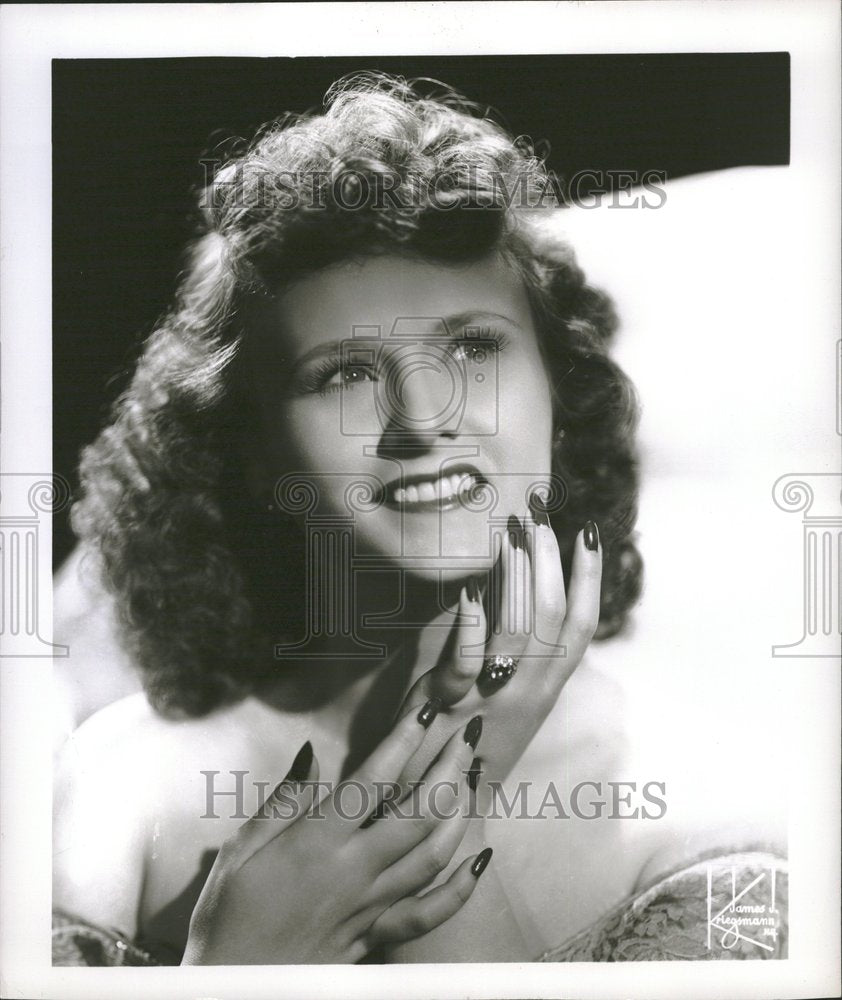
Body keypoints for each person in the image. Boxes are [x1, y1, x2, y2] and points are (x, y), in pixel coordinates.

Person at [52, 73, 786, 966]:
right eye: (344, 374)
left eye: (474, 348)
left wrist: (453, 772)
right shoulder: (117, 789)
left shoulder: (715, 816)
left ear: (559, 392)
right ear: (251, 450)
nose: (423, 419)